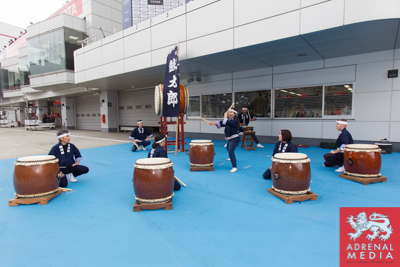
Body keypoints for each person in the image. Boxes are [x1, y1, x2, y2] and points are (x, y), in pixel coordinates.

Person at [209, 108, 240, 173]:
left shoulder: (235, 120)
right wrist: (213, 123)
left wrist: (225, 116)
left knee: (230, 150)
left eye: (232, 112)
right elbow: (222, 123)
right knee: (228, 148)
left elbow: (225, 122)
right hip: (229, 138)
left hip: (235, 138)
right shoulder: (229, 120)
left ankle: (234, 167)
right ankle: (231, 156)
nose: (230, 113)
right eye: (229, 112)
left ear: (235, 114)